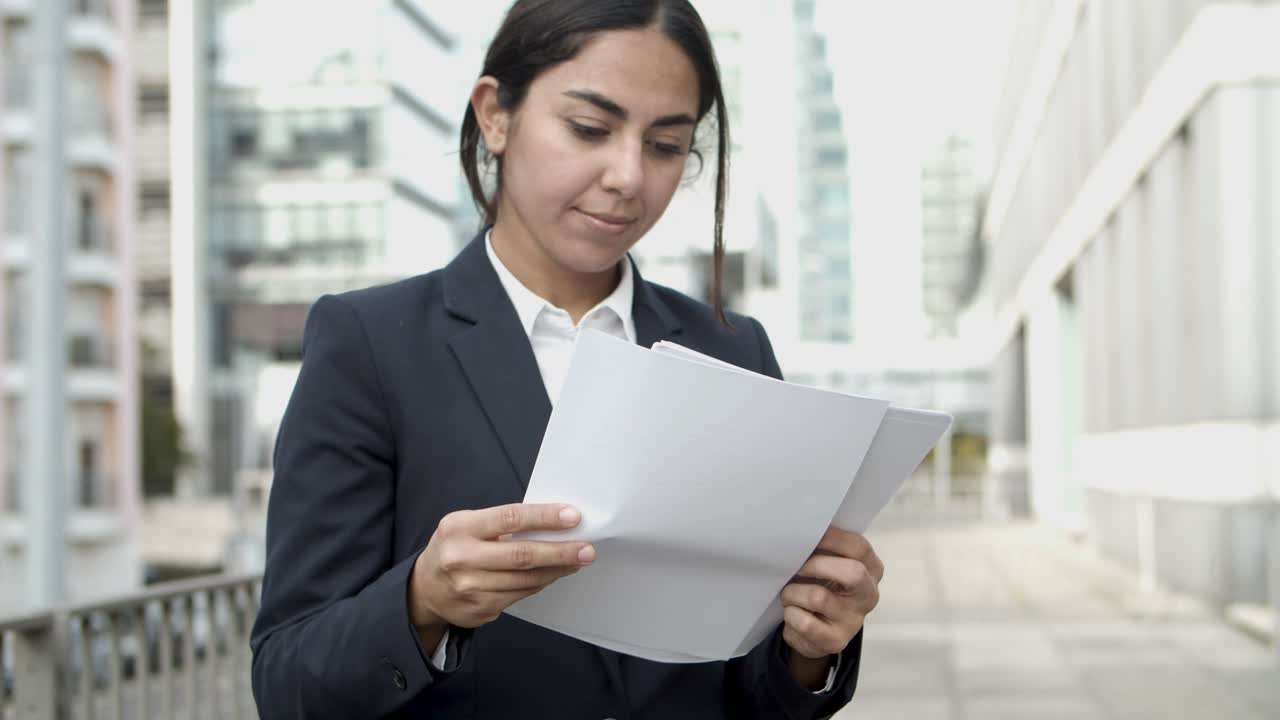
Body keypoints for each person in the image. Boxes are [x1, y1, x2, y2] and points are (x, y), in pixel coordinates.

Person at [249, 1, 883, 717]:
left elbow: (749, 690)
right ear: (495, 114)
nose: (627, 177)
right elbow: (287, 680)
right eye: (589, 129)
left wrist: (811, 648)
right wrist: (421, 601)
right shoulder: (370, 345)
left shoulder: (732, 349)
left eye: (666, 145)